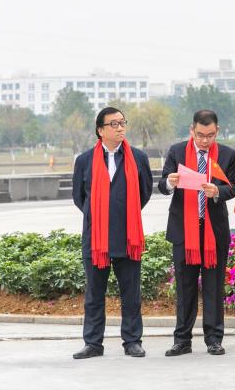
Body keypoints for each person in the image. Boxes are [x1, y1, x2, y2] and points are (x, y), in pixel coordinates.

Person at [71, 106, 153, 359]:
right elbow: (79, 197)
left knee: (131, 293)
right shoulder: (84, 160)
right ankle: (93, 343)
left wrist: (123, 213)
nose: (120, 128)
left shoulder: (138, 158)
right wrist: (99, 216)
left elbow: (144, 193)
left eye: (122, 123)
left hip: (128, 237)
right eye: (114, 124)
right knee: (94, 294)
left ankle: (132, 341)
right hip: (96, 239)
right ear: (100, 130)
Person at [159, 109, 235, 356]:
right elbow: (162, 185)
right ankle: (182, 340)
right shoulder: (177, 152)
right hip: (184, 230)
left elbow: (233, 187)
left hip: (214, 229)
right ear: (192, 130)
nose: (205, 140)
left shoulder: (226, 154)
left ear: (217, 131)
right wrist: (170, 182)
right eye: (201, 135)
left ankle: (214, 339)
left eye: (210, 135)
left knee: (214, 287)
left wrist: (218, 192)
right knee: (185, 288)